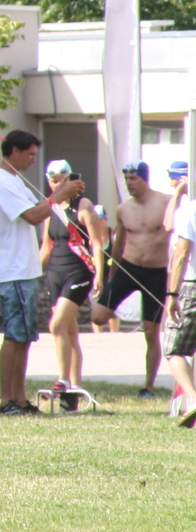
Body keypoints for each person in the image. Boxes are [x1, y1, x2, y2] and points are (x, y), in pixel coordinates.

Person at [0, 129, 54, 415]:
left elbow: (36, 210)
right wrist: (58, 196)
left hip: (25, 270)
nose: (33, 159)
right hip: (12, 271)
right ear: (13, 151)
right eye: (30, 154)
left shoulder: (15, 181)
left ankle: (20, 398)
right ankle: (6, 401)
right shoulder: (0, 182)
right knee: (14, 337)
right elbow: (33, 215)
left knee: (24, 337)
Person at [93, 160, 171, 396]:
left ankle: (148, 386)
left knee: (151, 332)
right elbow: (119, 243)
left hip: (156, 272)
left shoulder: (166, 202)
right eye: (126, 179)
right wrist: (111, 273)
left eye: (133, 178)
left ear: (145, 179)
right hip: (129, 268)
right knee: (97, 316)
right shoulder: (123, 209)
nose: (129, 183)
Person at [39, 158, 107, 399]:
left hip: (78, 271)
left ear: (69, 180)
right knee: (69, 331)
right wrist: (34, 273)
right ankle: (75, 386)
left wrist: (99, 274)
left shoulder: (83, 205)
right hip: (55, 272)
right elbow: (46, 246)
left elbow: (97, 243)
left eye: (60, 180)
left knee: (56, 325)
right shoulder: (50, 208)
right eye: (52, 181)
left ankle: (62, 380)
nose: (56, 185)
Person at [164, 184, 196, 427]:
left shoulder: (188, 210)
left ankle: (193, 398)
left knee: (173, 348)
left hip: (192, 285)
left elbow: (181, 254)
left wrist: (172, 294)